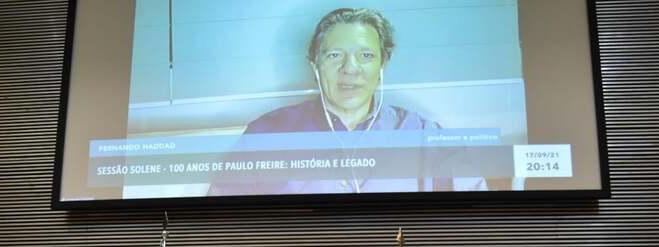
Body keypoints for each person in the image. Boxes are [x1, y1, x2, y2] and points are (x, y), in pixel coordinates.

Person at [208, 8, 487, 196]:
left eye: (365, 56)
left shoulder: (427, 136)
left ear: (382, 65)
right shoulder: (265, 134)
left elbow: (478, 219)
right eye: (334, 56)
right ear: (314, 65)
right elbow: (222, 225)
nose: (350, 69)